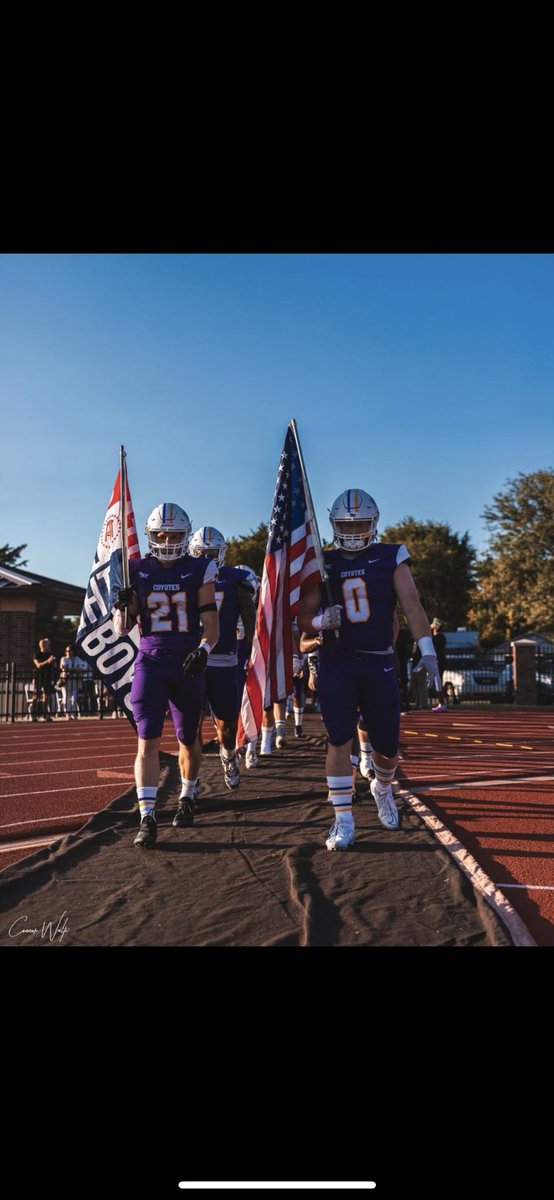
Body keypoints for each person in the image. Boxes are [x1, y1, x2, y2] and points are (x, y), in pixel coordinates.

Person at [298, 488, 441, 851]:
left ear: (374, 523)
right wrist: (319, 621)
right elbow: (300, 619)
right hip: (336, 660)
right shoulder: (322, 562)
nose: (354, 529)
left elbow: (412, 606)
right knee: (338, 737)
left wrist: (428, 652)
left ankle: (382, 786)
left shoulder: (391, 556)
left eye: (361, 522)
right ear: (333, 524)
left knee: (387, 746)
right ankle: (343, 819)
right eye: (347, 523)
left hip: (378, 659)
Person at [114, 502, 220, 849]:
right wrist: (122, 605)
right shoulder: (137, 569)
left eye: (173, 534)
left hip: (187, 659)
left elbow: (211, 626)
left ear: (185, 535)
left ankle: (188, 794)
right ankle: (147, 817)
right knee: (147, 740)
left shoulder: (199, 569)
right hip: (151, 660)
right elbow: (122, 629)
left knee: (189, 738)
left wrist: (203, 651)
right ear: (150, 534)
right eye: (161, 533)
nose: (166, 539)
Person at [188, 527, 256, 791]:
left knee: (227, 724)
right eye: (201, 553)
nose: (206, 557)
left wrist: (252, 650)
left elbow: (250, 619)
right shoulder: (185, 575)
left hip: (224, 659)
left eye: (211, 553)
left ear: (222, 554)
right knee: (190, 724)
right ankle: (191, 780)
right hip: (193, 660)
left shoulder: (235, 580)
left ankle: (228, 757)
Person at [32, 638, 57, 721]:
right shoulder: (37, 654)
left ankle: (45, 714)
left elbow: (54, 666)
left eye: (47, 644)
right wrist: (47, 661)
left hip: (47, 676)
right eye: (44, 644)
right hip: (39, 676)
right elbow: (38, 665)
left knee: (46, 696)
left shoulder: (50, 654)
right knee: (36, 695)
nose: (45, 646)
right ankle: (33, 715)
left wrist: (53, 662)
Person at [58, 644, 85, 719]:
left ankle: (73, 713)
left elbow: (83, 667)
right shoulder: (64, 659)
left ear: (73, 651)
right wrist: (74, 669)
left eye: (69, 651)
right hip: (66, 681)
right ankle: (67, 713)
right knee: (66, 697)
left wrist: (77, 670)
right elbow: (63, 668)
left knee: (74, 697)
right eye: (66, 651)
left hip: (75, 681)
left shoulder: (77, 659)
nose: (68, 652)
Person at [430, 618, 447, 711]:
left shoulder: (438, 638)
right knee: (438, 682)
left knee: (438, 682)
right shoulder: (440, 637)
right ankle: (441, 703)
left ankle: (442, 703)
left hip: (438, 662)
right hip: (440, 662)